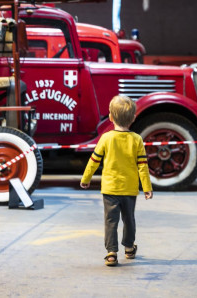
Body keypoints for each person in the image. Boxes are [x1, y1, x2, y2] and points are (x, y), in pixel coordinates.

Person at [80, 95, 153, 266]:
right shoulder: (137, 140)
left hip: (110, 189)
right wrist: (147, 188)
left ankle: (111, 253)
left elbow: (94, 160)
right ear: (133, 118)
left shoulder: (106, 138)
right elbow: (143, 166)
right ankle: (129, 248)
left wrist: (86, 178)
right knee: (129, 219)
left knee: (111, 221)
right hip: (129, 189)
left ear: (111, 117)